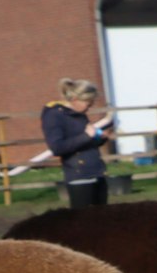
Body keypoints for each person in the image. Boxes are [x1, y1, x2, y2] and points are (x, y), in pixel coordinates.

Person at [42, 78, 113, 209]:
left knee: (102, 220)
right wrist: (86, 136)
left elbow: (85, 143)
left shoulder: (79, 114)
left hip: (97, 172)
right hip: (79, 176)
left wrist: (100, 138)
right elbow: (57, 147)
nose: (90, 106)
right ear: (75, 100)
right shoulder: (54, 115)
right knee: (81, 222)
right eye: (88, 102)